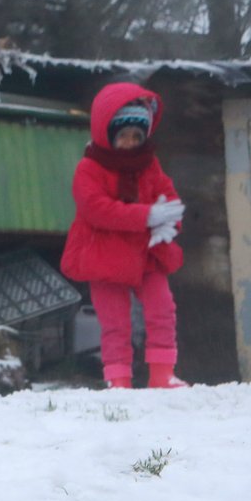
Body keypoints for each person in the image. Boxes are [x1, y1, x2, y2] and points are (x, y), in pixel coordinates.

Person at [60, 82, 187, 389]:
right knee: (114, 321)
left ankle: (162, 373)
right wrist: (147, 216)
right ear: (108, 134)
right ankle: (118, 379)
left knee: (162, 309)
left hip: (148, 253)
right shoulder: (89, 168)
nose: (130, 143)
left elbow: (169, 198)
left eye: (137, 136)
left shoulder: (149, 164)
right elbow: (97, 209)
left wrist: (168, 222)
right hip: (104, 256)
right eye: (123, 136)